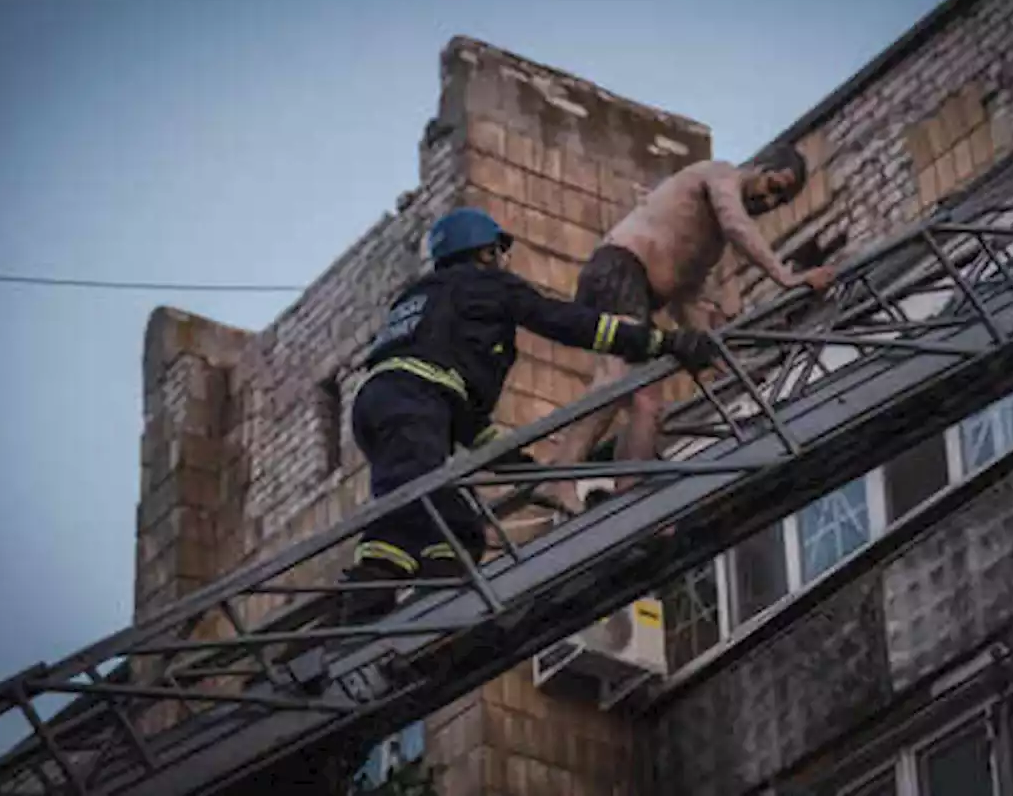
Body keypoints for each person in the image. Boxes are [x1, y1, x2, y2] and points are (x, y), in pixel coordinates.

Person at [338, 207, 718, 624]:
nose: (502, 260)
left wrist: (518, 465)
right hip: (414, 402)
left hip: (380, 405)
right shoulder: (488, 285)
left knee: (446, 512)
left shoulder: (424, 299)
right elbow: (568, 323)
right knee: (417, 504)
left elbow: (465, 417)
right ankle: (376, 590)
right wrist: (661, 342)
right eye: (498, 251)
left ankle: (434, 579)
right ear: (485, 252)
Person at [545, 150, 838, 514]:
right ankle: (559, 480)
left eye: (779, 200)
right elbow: (737, 224)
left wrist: (722, 362)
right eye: (773, 186)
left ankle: (628, 496)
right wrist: (787, 277)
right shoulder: (719, 174)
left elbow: (683, 299)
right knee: (615, 379)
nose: (769, 200)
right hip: (618, 271)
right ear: (761, 169)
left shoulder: (709, 243)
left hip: (638, 293)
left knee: (647, 404)